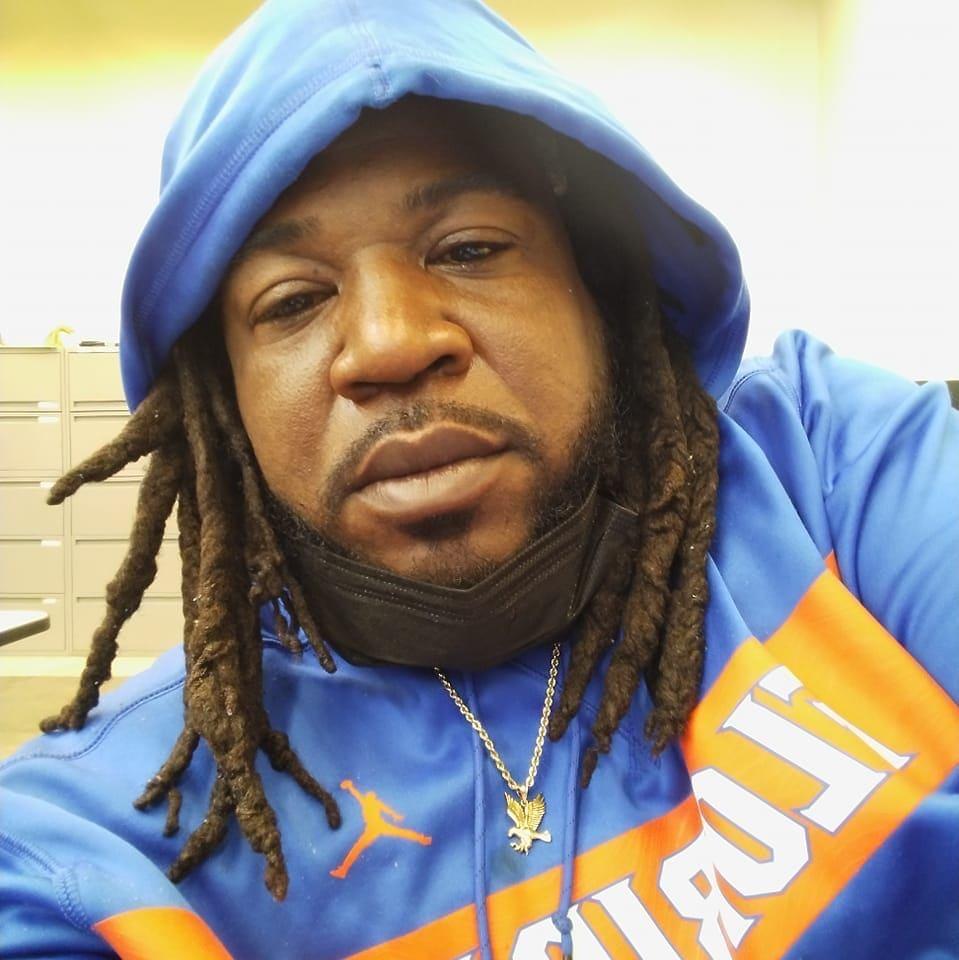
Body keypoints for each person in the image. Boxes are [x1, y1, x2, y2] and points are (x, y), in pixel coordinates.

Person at [1, 0, 957, 957]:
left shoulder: (831, 464)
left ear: (595, 289)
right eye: (291, 300)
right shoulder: (85, 844)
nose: (390, 345)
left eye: (468, 250)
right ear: (226, 399)